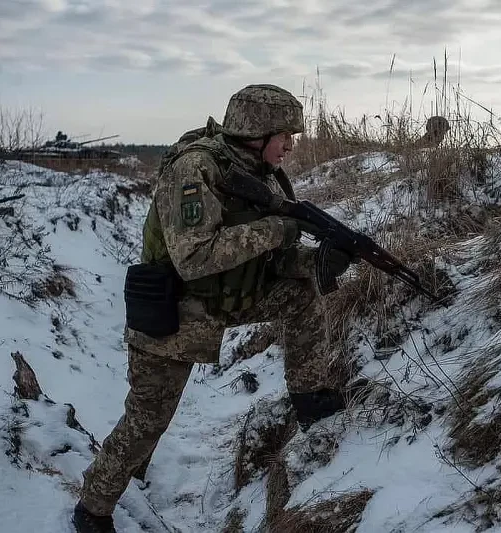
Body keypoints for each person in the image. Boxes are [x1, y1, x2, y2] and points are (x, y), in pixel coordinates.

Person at [71, 84, 355, 533]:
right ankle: (93, 508)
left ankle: (310, 397)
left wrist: (318, 261)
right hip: (174, 313)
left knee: (301, 293)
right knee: (147, 421)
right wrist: (278, 230)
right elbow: (195, 257)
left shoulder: (261, 172)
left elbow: (273, 258)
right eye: (286, 134)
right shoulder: (194, 169)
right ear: (258, 131)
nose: (292, 145)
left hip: (223, 302)